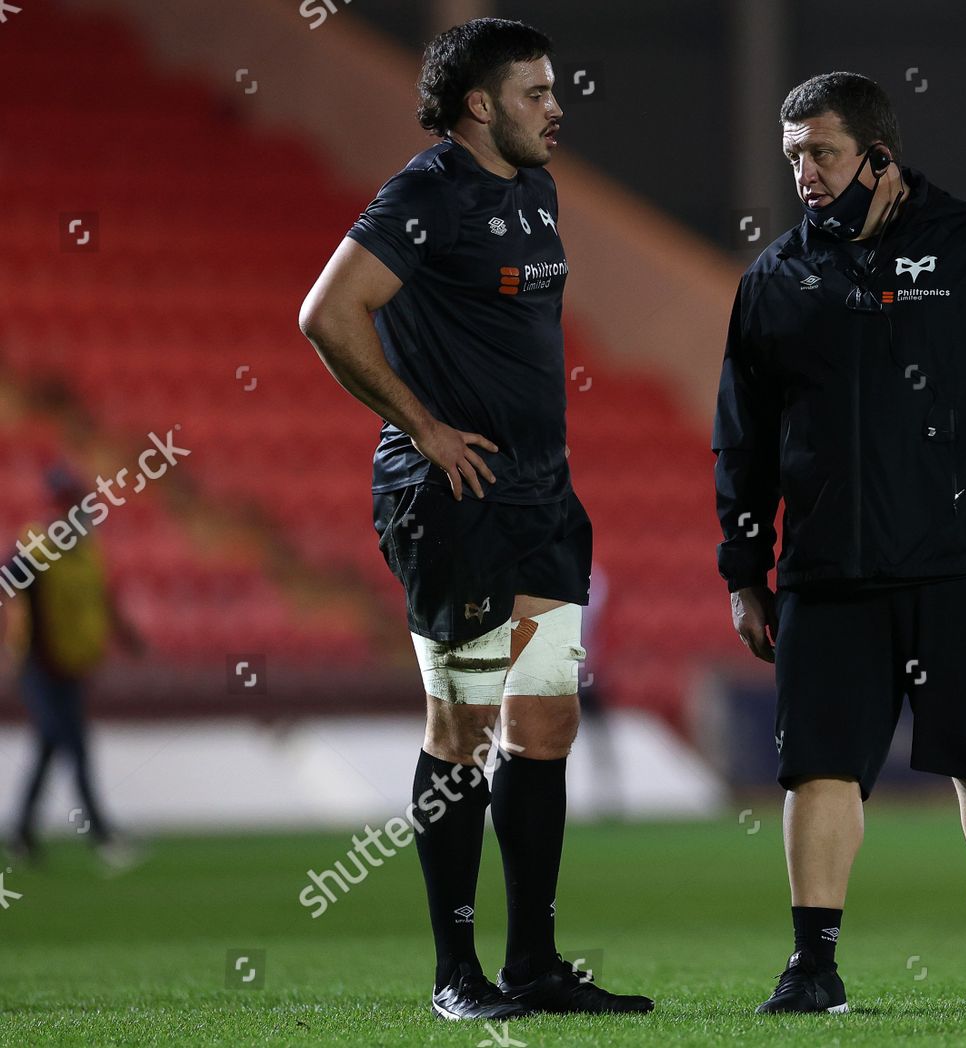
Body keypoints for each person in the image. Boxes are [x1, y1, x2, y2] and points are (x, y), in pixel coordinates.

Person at [298, 18, 651, 1021]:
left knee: (544, 725)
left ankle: (534, 964)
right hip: (449, 500)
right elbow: (328, 312)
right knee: (460, 726)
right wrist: (426, 427)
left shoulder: (534, 192)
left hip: (542, 498)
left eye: (553, 88)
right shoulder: (426, 194)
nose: (556, 105)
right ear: (478, 105)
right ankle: (458, 975)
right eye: (536, 92)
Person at [713, 72, 966, 1014]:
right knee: (818, 765)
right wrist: (745, 568)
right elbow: (743, 441)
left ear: (880, 159)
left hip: (963, 562)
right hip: (827, 571)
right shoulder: (775, 279)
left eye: (822, 153)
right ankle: (813, 966)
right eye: (792, 154)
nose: (804, 172)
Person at [2, 464, 144, 871]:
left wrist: (127, 638)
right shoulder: (38, 549)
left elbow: (104, 600)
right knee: (74, 746)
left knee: (50, 748)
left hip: (71, 667)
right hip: (39, 667)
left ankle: (21, 836)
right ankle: (100, 832)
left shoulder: (88, 555)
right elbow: (7, 580)